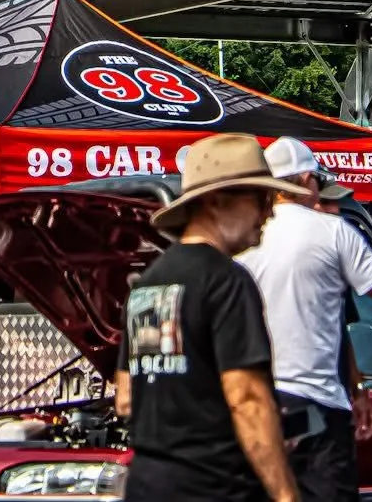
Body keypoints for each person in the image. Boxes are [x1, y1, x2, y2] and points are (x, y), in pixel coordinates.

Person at [237, 139, 372, 502]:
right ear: (306, 180)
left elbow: (332, 323)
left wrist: (358, 386)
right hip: (315, 407)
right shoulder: (331, 232)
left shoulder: (247, 237)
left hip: (255, 403)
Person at [116, 133, 309, 502]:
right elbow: (247, 398)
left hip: (147, 485)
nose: (269, 212)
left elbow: (125, 396)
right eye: (261, 198)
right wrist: (286, 495)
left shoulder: (147, 283)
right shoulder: (226, 281)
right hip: (216, 487)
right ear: (217, 201)